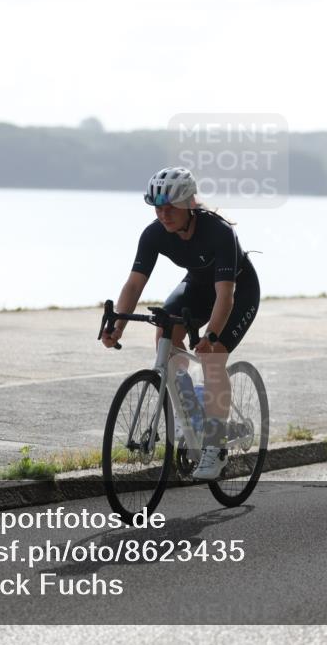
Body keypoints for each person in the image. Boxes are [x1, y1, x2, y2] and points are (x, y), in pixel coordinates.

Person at [101, 166, 260, 480]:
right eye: (158, 208)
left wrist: (212, 333)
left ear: (189, 204)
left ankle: (215, 448)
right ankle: (192, 418)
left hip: (237, 292)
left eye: (170, 208)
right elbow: (133, 285)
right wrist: (117, 326)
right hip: (197, 286)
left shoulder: (220, 232)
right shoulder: (154, 234)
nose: (163, 215)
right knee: (165, 335)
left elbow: (225, 296)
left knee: (213, 357)